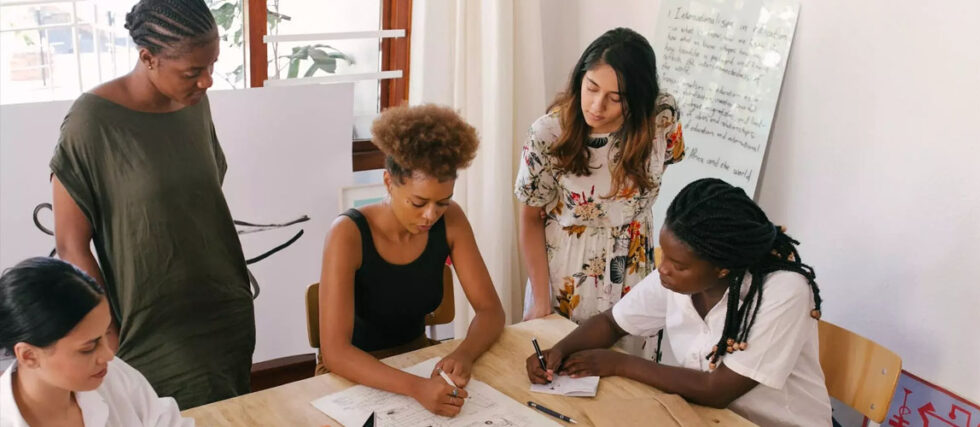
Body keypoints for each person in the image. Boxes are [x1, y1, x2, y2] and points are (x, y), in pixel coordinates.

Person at [49, 0, 254, 408]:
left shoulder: (194, 102)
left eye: (212, 65)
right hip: (151, 324)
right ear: (148, 58)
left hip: (224, 307)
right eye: (194, 71)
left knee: (231, 415)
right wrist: (106, 331)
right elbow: (71, 244)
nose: (207, 81)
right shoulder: (92, 122)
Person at [526, 178, 832, 426]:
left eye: (679, 264)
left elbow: (718, 390)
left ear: (722, 268)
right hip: (705, 416)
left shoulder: (783, 292)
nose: (663, 268)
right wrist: (560, 351)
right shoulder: (678, 279)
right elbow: (611, 323)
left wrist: (618, 362)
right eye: (665, 254)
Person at [319, 105, 505, 417]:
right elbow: (336, 353)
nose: (431, 215)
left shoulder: (452, 221)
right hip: (351, 376)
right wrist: (416, 388)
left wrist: (465, 354)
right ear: (389, 183)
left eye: (442, 203)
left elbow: (491, 311)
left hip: (417, 360)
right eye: (418, 203)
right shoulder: (347, 234)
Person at [515, 27, 685, 359]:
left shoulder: (661, 117)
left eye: (616, 97)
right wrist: (540, 299)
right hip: (568, 274)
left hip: (635, 269)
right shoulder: (549, 133)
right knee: (561, 374)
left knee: (629, 381)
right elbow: (530, 217)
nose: (596, 105)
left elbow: (658, 170)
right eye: (591, 87)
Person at [0, 257, 194, 427]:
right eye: (89, 348)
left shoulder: (112, 377)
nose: (108, 355)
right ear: (29, 355)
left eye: (105, 334)